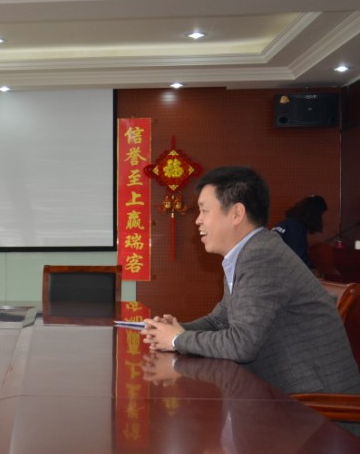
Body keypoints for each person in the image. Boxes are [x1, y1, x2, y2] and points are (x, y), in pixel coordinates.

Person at [141, 166, 360, 396]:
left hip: (316, 403)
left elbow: (241, 344)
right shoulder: (247, 252)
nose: (198, 220)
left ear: (236, 214)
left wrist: (177, 339)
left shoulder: (262, 256)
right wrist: (176, 330)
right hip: (280, 394)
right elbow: (220, 320)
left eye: (204, 211)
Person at [272, 194, 327, 273]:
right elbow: (299, 258)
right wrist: (313, 270)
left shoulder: (286, 223)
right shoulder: (295, 227)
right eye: (321, 214)